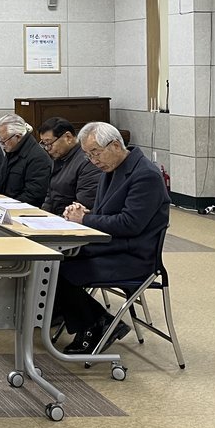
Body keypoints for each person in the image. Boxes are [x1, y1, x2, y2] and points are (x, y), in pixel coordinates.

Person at [55, 122, 170, 354]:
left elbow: (130, 223)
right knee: (50, 261)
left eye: (95, 153)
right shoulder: (112, 170)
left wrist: (85, 219)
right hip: (112, 246)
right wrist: (85, 214)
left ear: (115, 145)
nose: (93, 160)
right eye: (88, 155)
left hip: (133, 256)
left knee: (57, 268)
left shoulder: (145, 175)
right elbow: (106, 214)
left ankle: (93, 325)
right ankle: (98, 321)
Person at [38, 117, 99, 214]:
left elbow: (84, 202)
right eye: (45, 144)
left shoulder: (88, 161)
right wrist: (42, 214)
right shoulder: (59, 157)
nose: (48, 149)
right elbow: (50, 194)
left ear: (68, 137)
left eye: (50, 143)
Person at [0, 114, 50, 207]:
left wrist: (8, 205)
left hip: (22, 210)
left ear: (18, 137)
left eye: (4, 140)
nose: (2, 144)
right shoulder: (12, 150)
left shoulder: (38, 158)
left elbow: (34, 195)